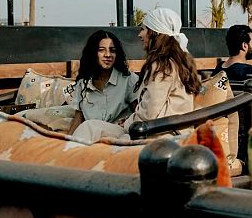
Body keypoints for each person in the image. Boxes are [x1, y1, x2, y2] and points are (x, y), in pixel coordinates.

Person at [74, 8, 201, 142]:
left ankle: (67, 153)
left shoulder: (161, 66)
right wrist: (130, 120)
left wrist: (127, 123)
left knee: (89, 128)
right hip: (167, 130)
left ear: (154, 32)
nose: (140, 35)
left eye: (143, 29)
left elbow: (149, 114)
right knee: (91, 127)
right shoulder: (179, 61)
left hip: (158, 134)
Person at [67, 30, 139, 135]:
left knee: (89, 126)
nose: (108, 55)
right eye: (101, 50)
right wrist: (66, 141)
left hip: (118, 133)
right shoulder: (83, 83)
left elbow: (139, 113)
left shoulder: (128, 79)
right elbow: (78, 117)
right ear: (93, 53)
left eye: (112, 50)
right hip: (91, 136)